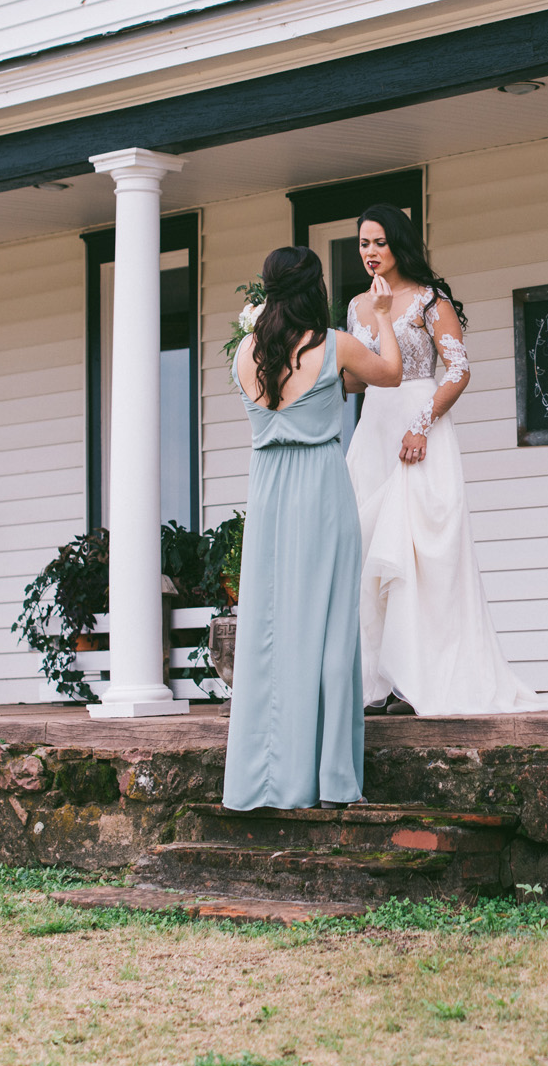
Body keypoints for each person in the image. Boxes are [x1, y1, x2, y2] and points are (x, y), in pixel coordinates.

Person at [343, 205, 548, 715]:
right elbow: (356, 376)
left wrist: (421, 425)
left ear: (398, 243)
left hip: (419, 431)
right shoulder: (357, 306)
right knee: (369, 556)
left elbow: (458, 370)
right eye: (362, 244)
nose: (370, 253)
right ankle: (377, 681)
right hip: (373, 431)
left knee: (422, 557)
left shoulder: (429, 300)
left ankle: (419, 680)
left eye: (378, 243)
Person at [223, 246, 402, 810]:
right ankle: (330, 779)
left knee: (271, 632)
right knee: (327, 631)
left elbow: (307, 394)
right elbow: (390, 374)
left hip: (270, 495)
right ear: (314, 289)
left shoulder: (244, 354)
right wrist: (381, 315)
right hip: (322, 491)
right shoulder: (333, 344)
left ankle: (267, 779)